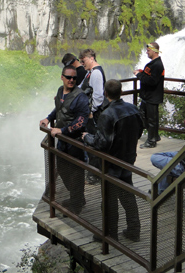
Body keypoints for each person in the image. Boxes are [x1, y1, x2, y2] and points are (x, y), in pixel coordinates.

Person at [83, 79, 143, 242]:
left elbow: (101, 143)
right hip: (128, 158)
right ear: (121, 92)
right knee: (127, 193)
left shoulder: (107, 114)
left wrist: (87, 137)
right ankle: (134, 230)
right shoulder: (133, 109)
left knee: (109, 198)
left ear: (106, 93)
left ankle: (110, 234)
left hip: (111, 162)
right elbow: (139, 131)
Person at [39, 65, 89, 214]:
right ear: (62, 77)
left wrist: (62, 130)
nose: (71, 80)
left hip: (75, 141)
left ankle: (76, 204)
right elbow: (59, 108)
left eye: (74, 78)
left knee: (76, 173)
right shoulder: (61, 91)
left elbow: (82, 121)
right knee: (62, 168)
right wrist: (48, 118)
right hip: (62, 139)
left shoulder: (81, 97)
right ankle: (77, 197)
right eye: (68, 77)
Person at [79, 48, 107, 184]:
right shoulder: (90, 73)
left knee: (93, 142)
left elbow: (98, 95)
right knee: (91, 140)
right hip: (91, 113)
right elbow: (81, 87)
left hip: (94, 115)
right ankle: (94, 171)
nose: (82, 63)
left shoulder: (95, 74)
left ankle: (95, 173)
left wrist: (92, 111)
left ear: (91, 58)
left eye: (83, 61)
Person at [133, 42, 165, 149]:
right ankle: (154, 136)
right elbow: (149, 75)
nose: (147, 52)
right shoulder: (153, 64)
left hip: (152, 97)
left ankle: (151, 141)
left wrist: (139, 75)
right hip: (147, 96)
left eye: (148, 50)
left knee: (151, 120)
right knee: (142, 115)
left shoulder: (157, 65)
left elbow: (152, 81)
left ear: (154, 51)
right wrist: (142, 72)